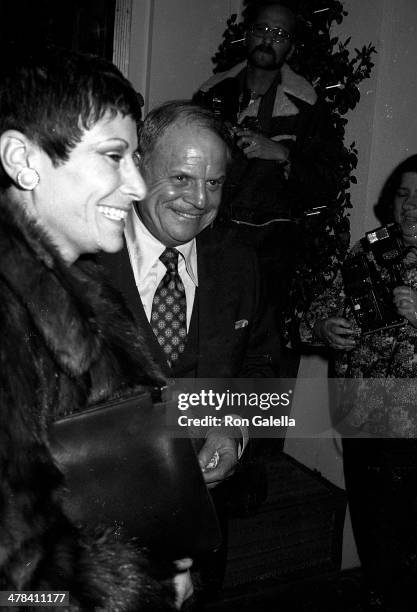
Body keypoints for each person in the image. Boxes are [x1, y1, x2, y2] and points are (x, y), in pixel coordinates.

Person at [0, 46, 192, 610]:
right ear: (21, 157)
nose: (136, 185)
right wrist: (125, 589)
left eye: (136, 158)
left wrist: (166, 556)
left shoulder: (82, 288)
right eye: (114, 156)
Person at [101, 100, 280, 599]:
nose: (199, 200)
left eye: (215, 183)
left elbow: (264, 366)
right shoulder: (81, 256)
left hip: (202, 532)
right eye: (181, 178)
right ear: (138, 167)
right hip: (95, 537)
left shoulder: (240, 264)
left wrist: (234, 428)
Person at [300, 154, 417, 611]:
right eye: (404, 195)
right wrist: (325, 326)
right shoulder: (368, 249)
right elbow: (314, 311)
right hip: (363, 410)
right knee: (372, 521)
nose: (411, 206)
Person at [194, 0, 337, 342]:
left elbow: (326, 183)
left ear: (290, 45)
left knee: (262, 368)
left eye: (279, 34)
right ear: (247, 35)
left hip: (271, 260)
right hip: (211, 245)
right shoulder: (212, 92)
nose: (268, 39)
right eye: (261, 29)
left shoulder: (307, 104)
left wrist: (282, 154)